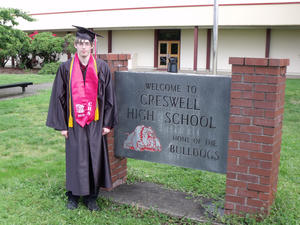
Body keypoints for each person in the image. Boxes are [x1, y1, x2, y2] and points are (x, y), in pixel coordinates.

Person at [46, 25, 117, 211]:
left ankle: (91, 197)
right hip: (73, 122)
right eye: (80, 43)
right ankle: (73, 196)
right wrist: (62, 126)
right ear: (75, 46)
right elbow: (58, 97)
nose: (83, 47)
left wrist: (108, 123)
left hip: (95, 122)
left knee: (94, 157)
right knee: (76, 158)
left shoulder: (101, 67)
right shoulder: (65, 68)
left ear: (92, 46)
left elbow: (109, 96)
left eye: (87, 43)